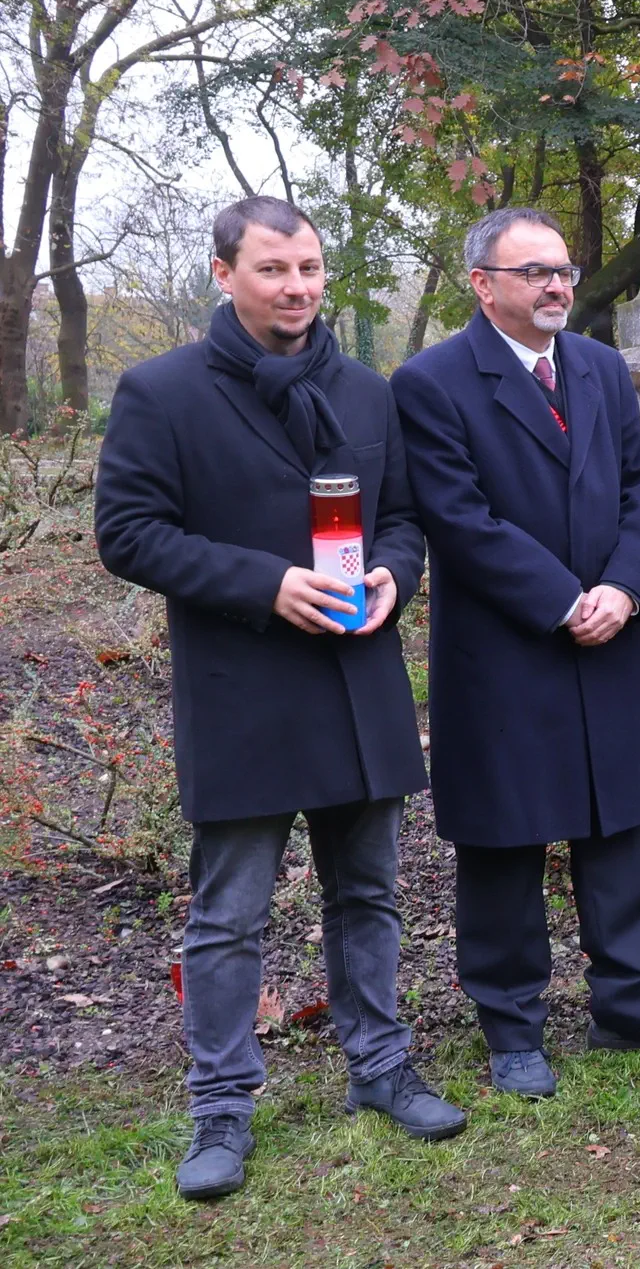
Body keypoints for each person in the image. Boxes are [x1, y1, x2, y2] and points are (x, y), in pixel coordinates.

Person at [96, 196, 465, 1201]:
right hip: (244, 687)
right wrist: (266, 582)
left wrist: (394, 574)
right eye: (273, 270)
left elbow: (401, 522)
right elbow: (127, 533)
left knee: (370, 894)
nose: (297, 287)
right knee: (230, 917)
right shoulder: (160, 392)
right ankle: (221, 1106)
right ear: (224, 274)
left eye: (309, 268)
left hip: (356, 680)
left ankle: (380, 1067)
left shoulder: (363, 390)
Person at [392, 207, 640, 1100]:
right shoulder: (431, 382)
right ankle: (512, 1028)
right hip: (506, 648)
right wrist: (560, 601)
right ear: (483, 284)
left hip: (608, 637)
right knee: (503, 843)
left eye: (564, 269)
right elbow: (461, 519)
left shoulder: (600, 366)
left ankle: (633, 1008)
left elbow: (639, 484)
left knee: (619, 832)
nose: (556, 285)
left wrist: (621, 587)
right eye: (534, 271)